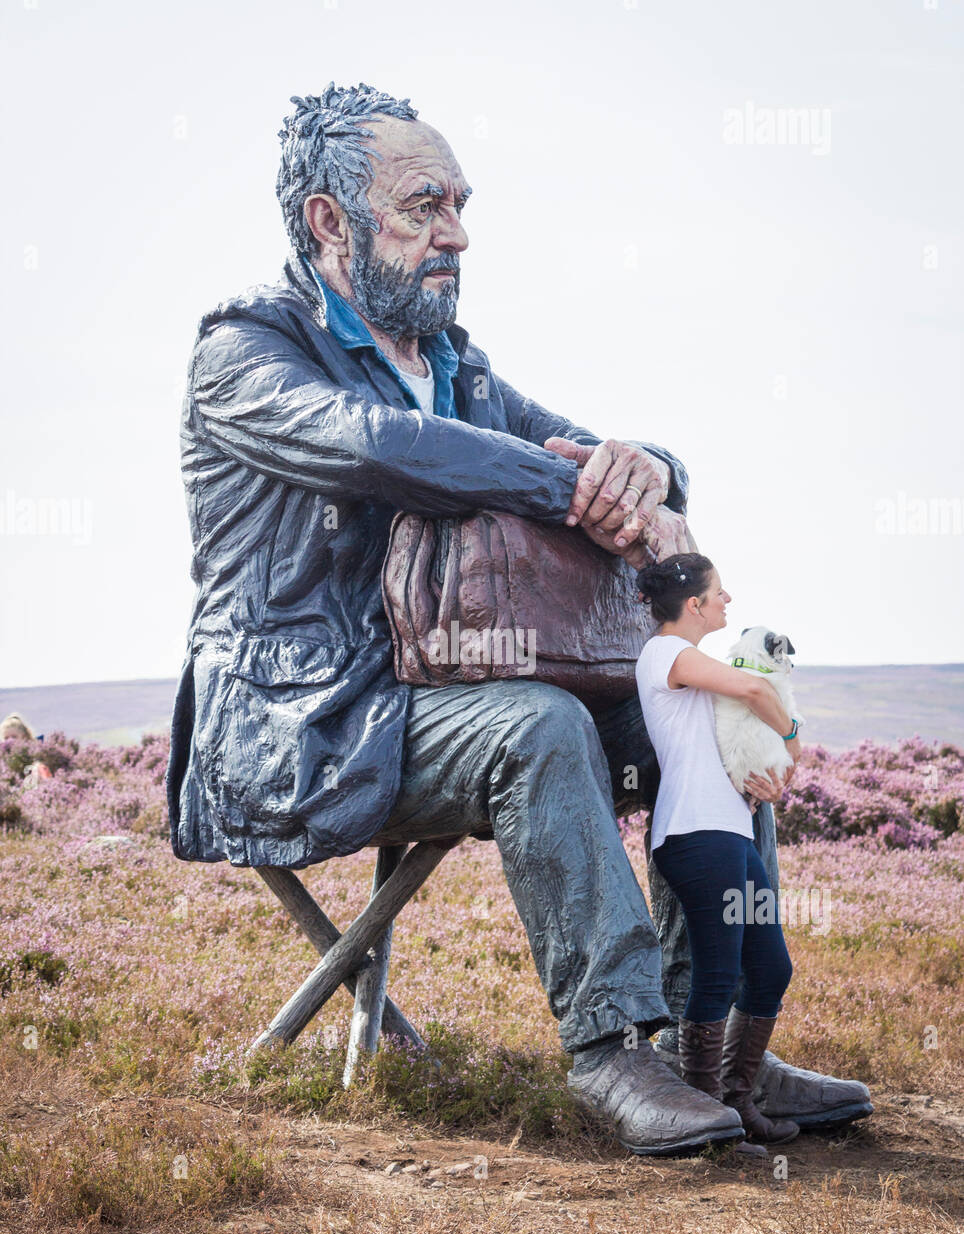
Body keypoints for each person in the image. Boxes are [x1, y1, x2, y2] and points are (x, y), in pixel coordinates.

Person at [166, 82, 871, 1158]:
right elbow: (376, 447)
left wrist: (647, 468)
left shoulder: (458, 365)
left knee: (718, 727)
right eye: (422, 206)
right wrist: (567, 485)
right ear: (328, 221)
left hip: (441, 696)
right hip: (306, 727)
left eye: (458, 203)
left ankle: (718, 1041)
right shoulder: (245, 354)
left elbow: (593, 453)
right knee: (538, 722)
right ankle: (611, 1048)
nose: (456, 233)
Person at [635, 553, 801, 1145]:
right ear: (694, 603)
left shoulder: (700, 663)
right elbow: (756, 686)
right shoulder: (665, 654)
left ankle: (735, 1101)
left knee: (770, 968)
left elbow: (737, 725)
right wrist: (792, 737)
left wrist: (765, 777)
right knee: (719, 971)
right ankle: (710, 1116)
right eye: (719, 593)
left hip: (728, 830)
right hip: (695, 834)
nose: (728, 600)